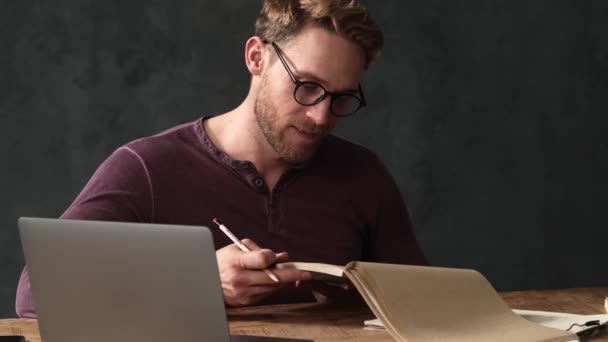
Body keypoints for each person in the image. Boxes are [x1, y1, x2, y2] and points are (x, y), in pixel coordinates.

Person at [16, 0, 428, 318]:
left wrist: (357, 296)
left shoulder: (363, 176)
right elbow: (36, 294)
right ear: (256, 58)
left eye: (342, 98)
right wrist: (197, 283)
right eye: (307, 86)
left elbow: (420, 305)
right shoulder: (148, 168)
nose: (321, 115)